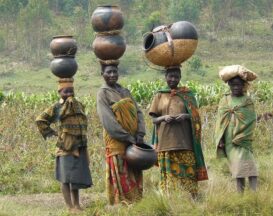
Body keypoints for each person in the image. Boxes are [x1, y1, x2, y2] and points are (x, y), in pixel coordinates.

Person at [149, 66, 208, 197]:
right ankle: (171, 199)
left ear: (180, 78)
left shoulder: (187, 94)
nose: (173, 79)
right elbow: (154, 120)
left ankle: (192, 198)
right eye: (170, 76)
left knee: (188, 172)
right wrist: (164, 118)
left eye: (176, 76)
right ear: (166, 77)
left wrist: (186, 116)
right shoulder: (159, 95)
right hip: (165, 142)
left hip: (185, 142)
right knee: (169, 175)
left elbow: (196, 117)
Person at [36, 78, 92, 212]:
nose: (69, 94)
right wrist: (52, 133)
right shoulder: (56, 107)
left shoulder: (79, 105)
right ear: (59, 92)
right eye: (66, 91)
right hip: (65, 147)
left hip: (80, 146)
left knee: (76, 178)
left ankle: (77, 205)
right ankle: (69, 206)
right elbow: (40, 120)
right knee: (65, 177)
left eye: (71, 91)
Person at [96, 60, 146, 205]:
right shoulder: (103, 93)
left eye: (114, 72)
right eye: (108, 72)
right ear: (102, 74)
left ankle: (136, 201)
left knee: (134, 168)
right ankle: (121, 203)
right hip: (117, 140)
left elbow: (138, 112)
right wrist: (126, 137)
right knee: (120, 170)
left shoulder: (125, 91)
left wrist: (140, 134)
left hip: (134, 140)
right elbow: (108, 120)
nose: (112, 75)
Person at [215, 65, 258, 193]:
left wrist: (242, 134)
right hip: (229, 140)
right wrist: (221, 139)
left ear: (243, 85)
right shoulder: (225, 100)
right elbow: (220, 122)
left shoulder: (247, 101)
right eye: (233, 85)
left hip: (243, 139)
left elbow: (251, 120)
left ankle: (254, 194)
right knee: (237, 168)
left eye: (238, 85)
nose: (236, 87)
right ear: (229, 85)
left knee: (251, 167)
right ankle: (240, 195)